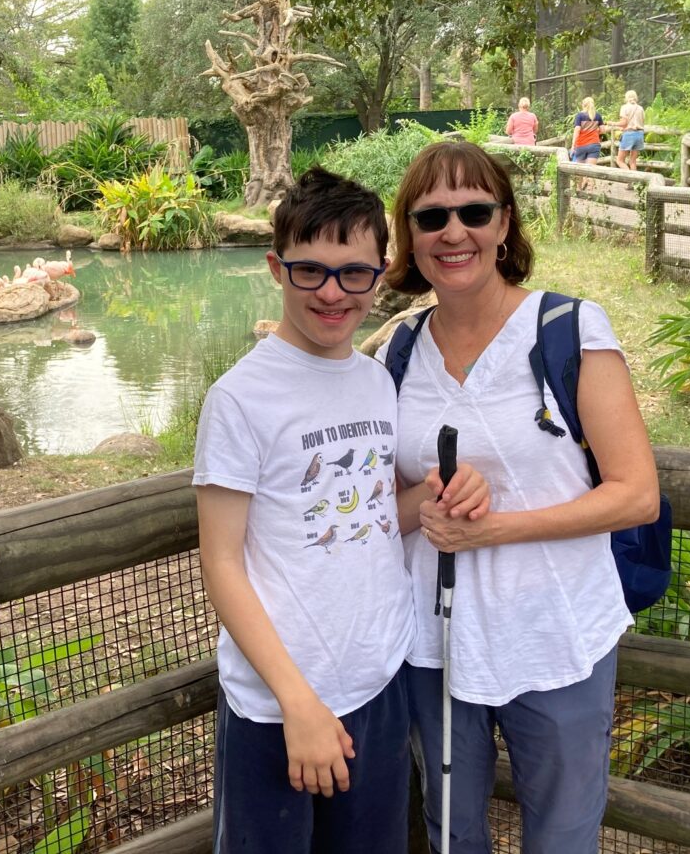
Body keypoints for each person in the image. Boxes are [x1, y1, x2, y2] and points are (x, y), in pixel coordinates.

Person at [195, 166, 489, 854]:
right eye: (310, 271)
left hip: (376, 680)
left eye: (353, 273)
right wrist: (296, 702)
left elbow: (369, 511)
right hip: (278, 704)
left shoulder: (372, 380)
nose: (332, 292)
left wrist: (444, 491)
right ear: (276, 267)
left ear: (380, 273)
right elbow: (221, 561)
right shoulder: (239, 399)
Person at [380, 141, 660, 853]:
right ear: (408, 235)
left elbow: (635, 495)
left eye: (473, 210)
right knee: (450, 831)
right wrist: (430, 500)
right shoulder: (397, 350)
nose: (453, 231)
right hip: (433, 637)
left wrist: (494, 528)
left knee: (562, 836)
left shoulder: (566, 329)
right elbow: (382, 505)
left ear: (503, 224)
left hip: (554, 633)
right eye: (430, 215)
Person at [615, 89, 646, 170]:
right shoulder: (640, 108)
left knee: (620, 160)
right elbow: (642, 122)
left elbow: (623, 123)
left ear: (626, 98)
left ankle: (629, 178)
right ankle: (635, 182)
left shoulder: (624, 107)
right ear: (636, 97)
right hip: (639, 134)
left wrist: (611, 123)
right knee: (633, 161)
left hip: (629, 134)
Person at [569, 96, 604, 163]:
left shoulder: (579, 116)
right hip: (594, 145)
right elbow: (603, 130)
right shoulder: (598, 115)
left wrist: (573, 146)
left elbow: (577, 130)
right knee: (590, 170)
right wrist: (594, 133)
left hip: (581, 145)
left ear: (583, 105)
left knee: (580, 171)